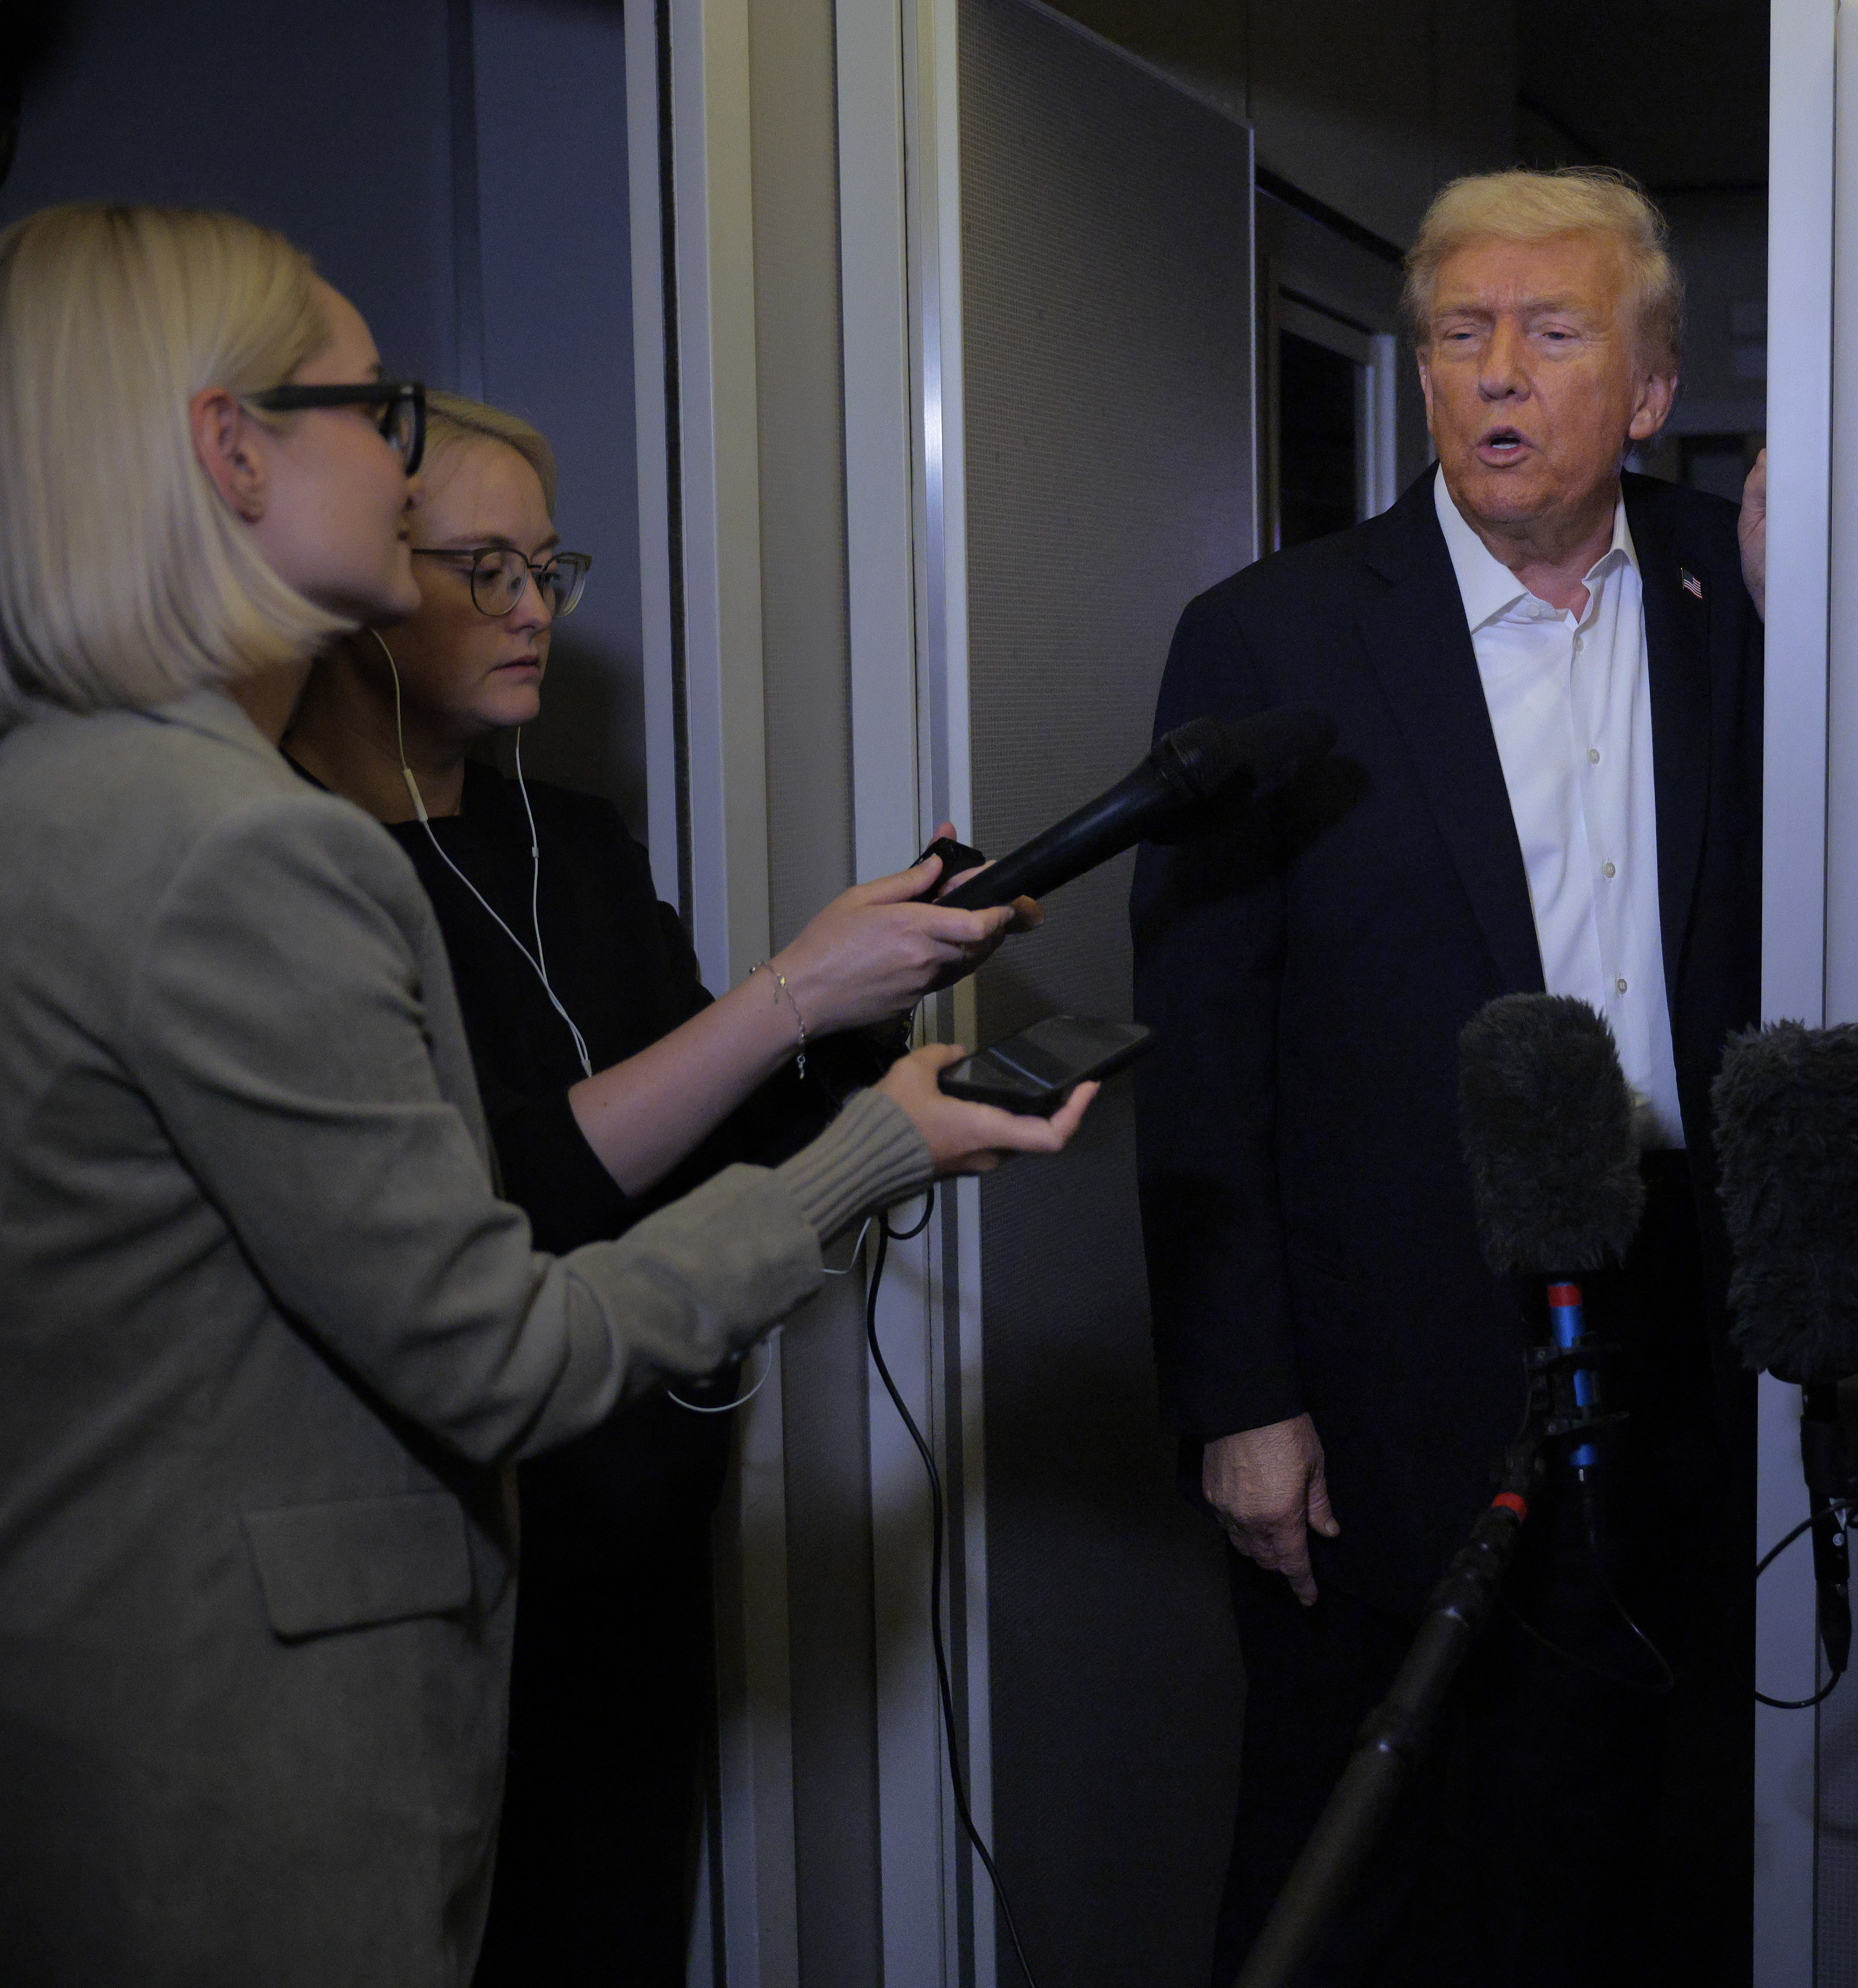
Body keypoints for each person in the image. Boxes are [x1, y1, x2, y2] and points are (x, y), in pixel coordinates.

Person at [0, 203, 1092, 1987]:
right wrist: (873, 1147)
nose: (405, 466)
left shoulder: (60, 791)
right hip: (247, 1786)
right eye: (381, 411)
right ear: (232, 449)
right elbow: (498, 1351)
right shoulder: (247, 857)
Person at [279, 392, 1025, 1982]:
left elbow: (722, 1140)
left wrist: (877, 1004)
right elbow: (508, 1190)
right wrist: (789, 991)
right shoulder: (295, 866)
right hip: (463, 1549)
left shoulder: (578, 838)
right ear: (358, 577)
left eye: (552, 569)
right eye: (484, 567)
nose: (533, 610)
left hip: (638, 1524)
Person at [1132, 168, 1766, 1984]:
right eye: (1458, 335)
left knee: (1636, 1828)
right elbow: (1206, 1047)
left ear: (1646, 388)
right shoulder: (1273, 642)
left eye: (1549, 334)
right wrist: (1241, 1398)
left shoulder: (1742, 612)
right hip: (1381, 1362)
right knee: (1363, 1854)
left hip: (1678, 1333)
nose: (1494, 373)